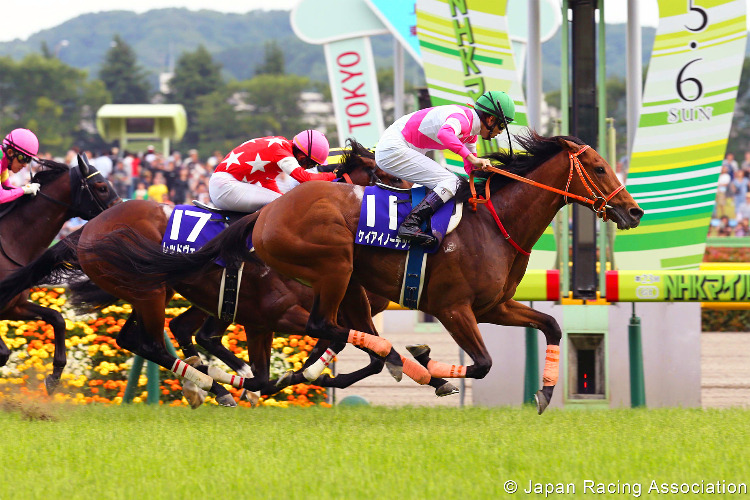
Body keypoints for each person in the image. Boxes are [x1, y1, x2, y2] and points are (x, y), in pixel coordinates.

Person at [374, 90, 515, 246]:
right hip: (393, 148)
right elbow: (444, 134)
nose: (500, 132)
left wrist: (492, 176)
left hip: (403, 147)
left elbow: (470, 169)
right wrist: (473, 158)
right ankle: (410, 224)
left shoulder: (471, 134)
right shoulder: (463, 119)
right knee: (451, 181)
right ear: (491, 119)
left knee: (450, 182)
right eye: (502, 125)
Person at [208, 130, 336, 212]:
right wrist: (334, 174)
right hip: (225, 186)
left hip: (225, 185)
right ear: (302, 157)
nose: (310, 167)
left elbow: (267, 182)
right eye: (312, 164)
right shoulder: (282, 152)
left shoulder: (281, 146)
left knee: (283, 200)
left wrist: (283, 196)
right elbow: (304, 177)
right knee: (286, 204)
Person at [0, 128, 41, 203]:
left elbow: (7, 187)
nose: (25, 165)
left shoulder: (3, 162)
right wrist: (24, 190)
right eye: (23, 159)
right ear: (10, 153)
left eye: (28, 160)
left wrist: (27, 189)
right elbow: (1, 196)